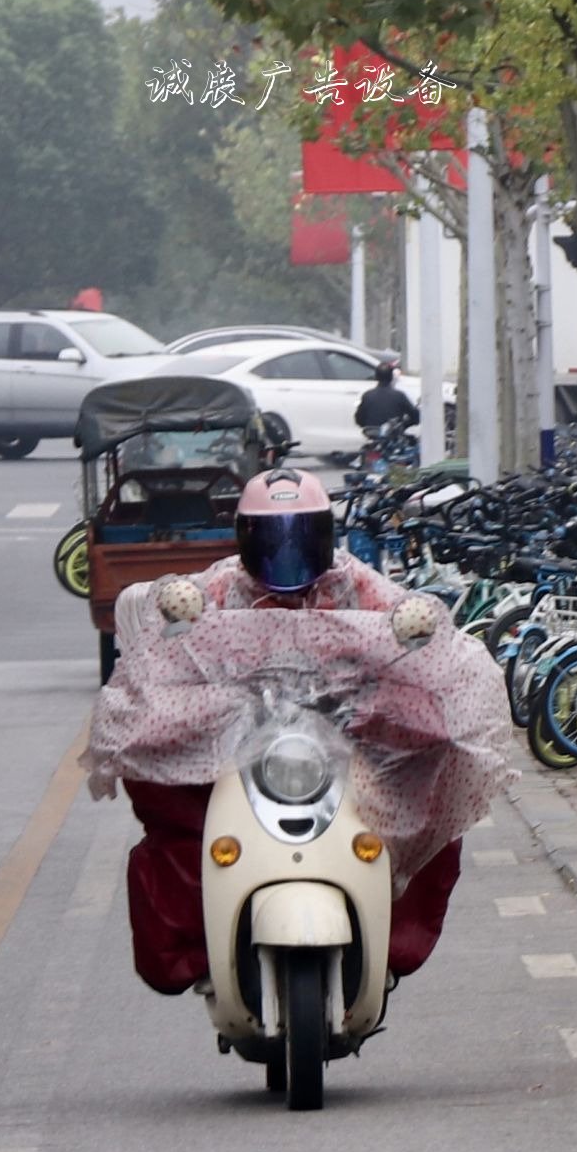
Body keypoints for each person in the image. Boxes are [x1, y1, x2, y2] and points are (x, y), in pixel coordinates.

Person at [113, 466, 465, 996]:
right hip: (238, 740)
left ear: (326, 533)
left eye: (302, 533)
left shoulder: (352, 580)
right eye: (271, 536)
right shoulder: (220, 585)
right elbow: (166, 624)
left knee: (431, 795)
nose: (287, 550)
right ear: (244, 537)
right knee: (164, 797)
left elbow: (402, 617)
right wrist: (168, 626)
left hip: (345, 736)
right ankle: (201, 950)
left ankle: (388, 945)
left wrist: (415, 633)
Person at [355, 351, 420, 444]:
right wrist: (405, 424)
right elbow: (415, 416)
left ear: (376, 377)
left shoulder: (367, 396)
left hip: (372, 438)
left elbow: (359, 419)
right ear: (391, 377)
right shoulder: (399, 396)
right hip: (393, 440)